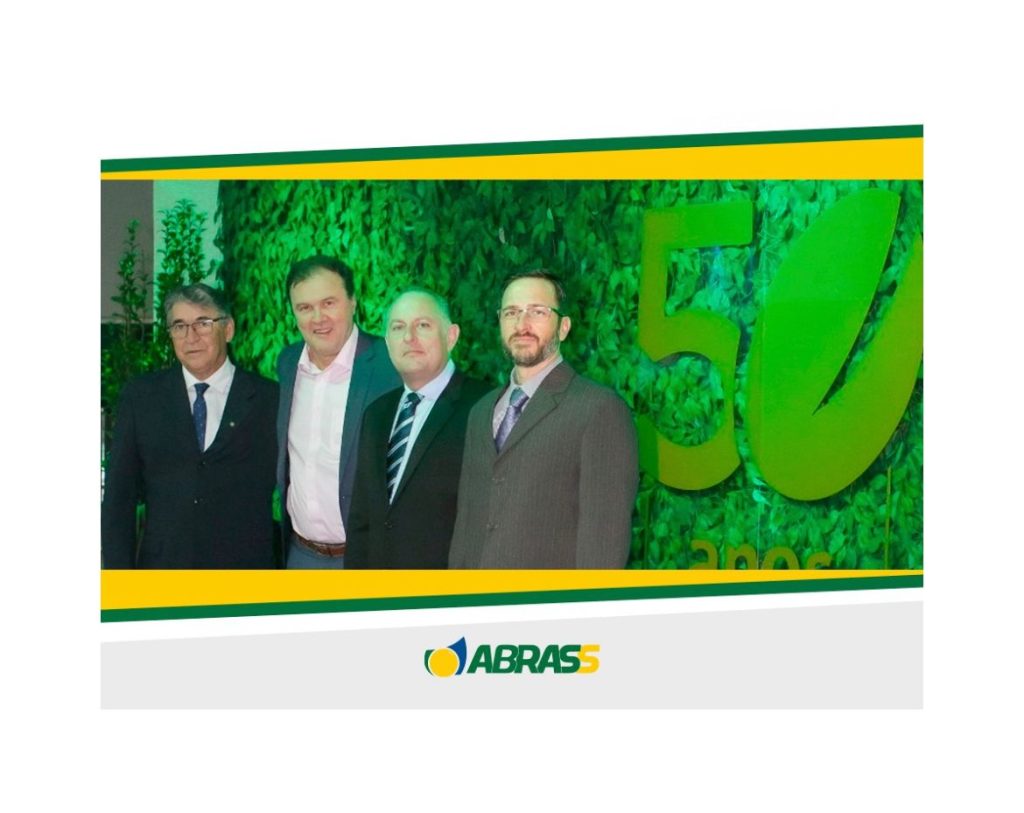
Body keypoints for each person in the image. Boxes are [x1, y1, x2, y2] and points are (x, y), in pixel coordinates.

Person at [448, 270, 638, 568]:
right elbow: (466, 527)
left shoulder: (599, 409)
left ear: (564, 327)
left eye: (537, 312)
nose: (521, 325)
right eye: (511, 312)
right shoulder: (481, 411)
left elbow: (604, 544)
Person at [102, 284, 278, 568]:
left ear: (228, 329)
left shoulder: (269, 399)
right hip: (164, 572)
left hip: (244, 573)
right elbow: (118, 500)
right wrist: (118, 581)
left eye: (203, 323)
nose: (190, 337)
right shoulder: (141, 397)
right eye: (179, 326)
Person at [347, 289, 489, 569]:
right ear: (388, 342)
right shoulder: (376, 414)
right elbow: (362, 519)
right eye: (398, 327)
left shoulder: (485, 408)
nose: (409, 337)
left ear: (451, 336)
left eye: (423, 325)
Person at [276, 255, 400, 568]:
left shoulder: (391, 366)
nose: (318, 318)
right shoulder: (288, 363)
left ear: (353, 302)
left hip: (367, 559)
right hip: (300, 556)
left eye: (329, 303)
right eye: (305, 307)